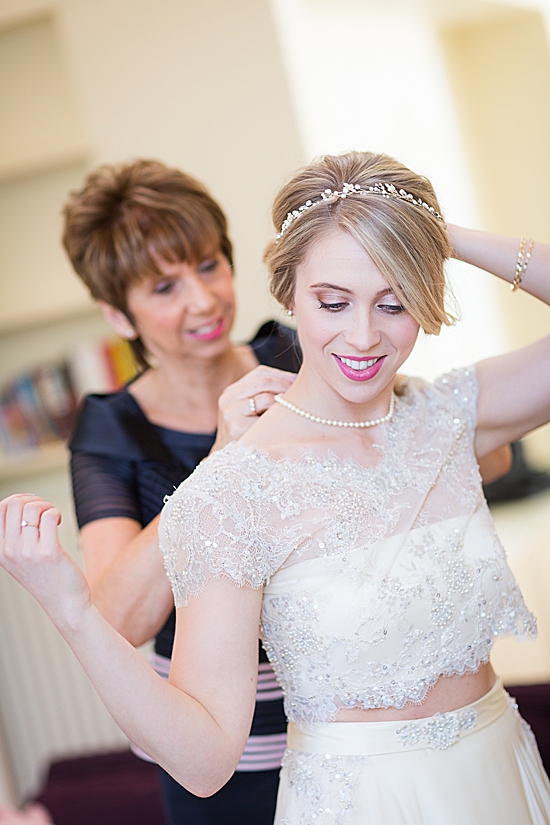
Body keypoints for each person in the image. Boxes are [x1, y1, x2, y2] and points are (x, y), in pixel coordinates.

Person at [2, 150, 548, 823]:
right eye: (333, 301)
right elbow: (185, 724)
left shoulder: (431, 408)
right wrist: (73, 610)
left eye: (394, 300)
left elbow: (462, 463)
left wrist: (435, 231)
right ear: (292, 292)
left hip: (499, 776)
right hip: (337, 786)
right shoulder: (206, 476)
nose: (364, 333)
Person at [61, 159, 299, 825]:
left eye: (207, 265)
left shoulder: (296, 360)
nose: (202, 299)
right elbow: (116, 616)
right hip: (220, 775)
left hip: (346, 731)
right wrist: (219, 460)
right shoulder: (112, 429)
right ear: (117, 312)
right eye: (164, 286)